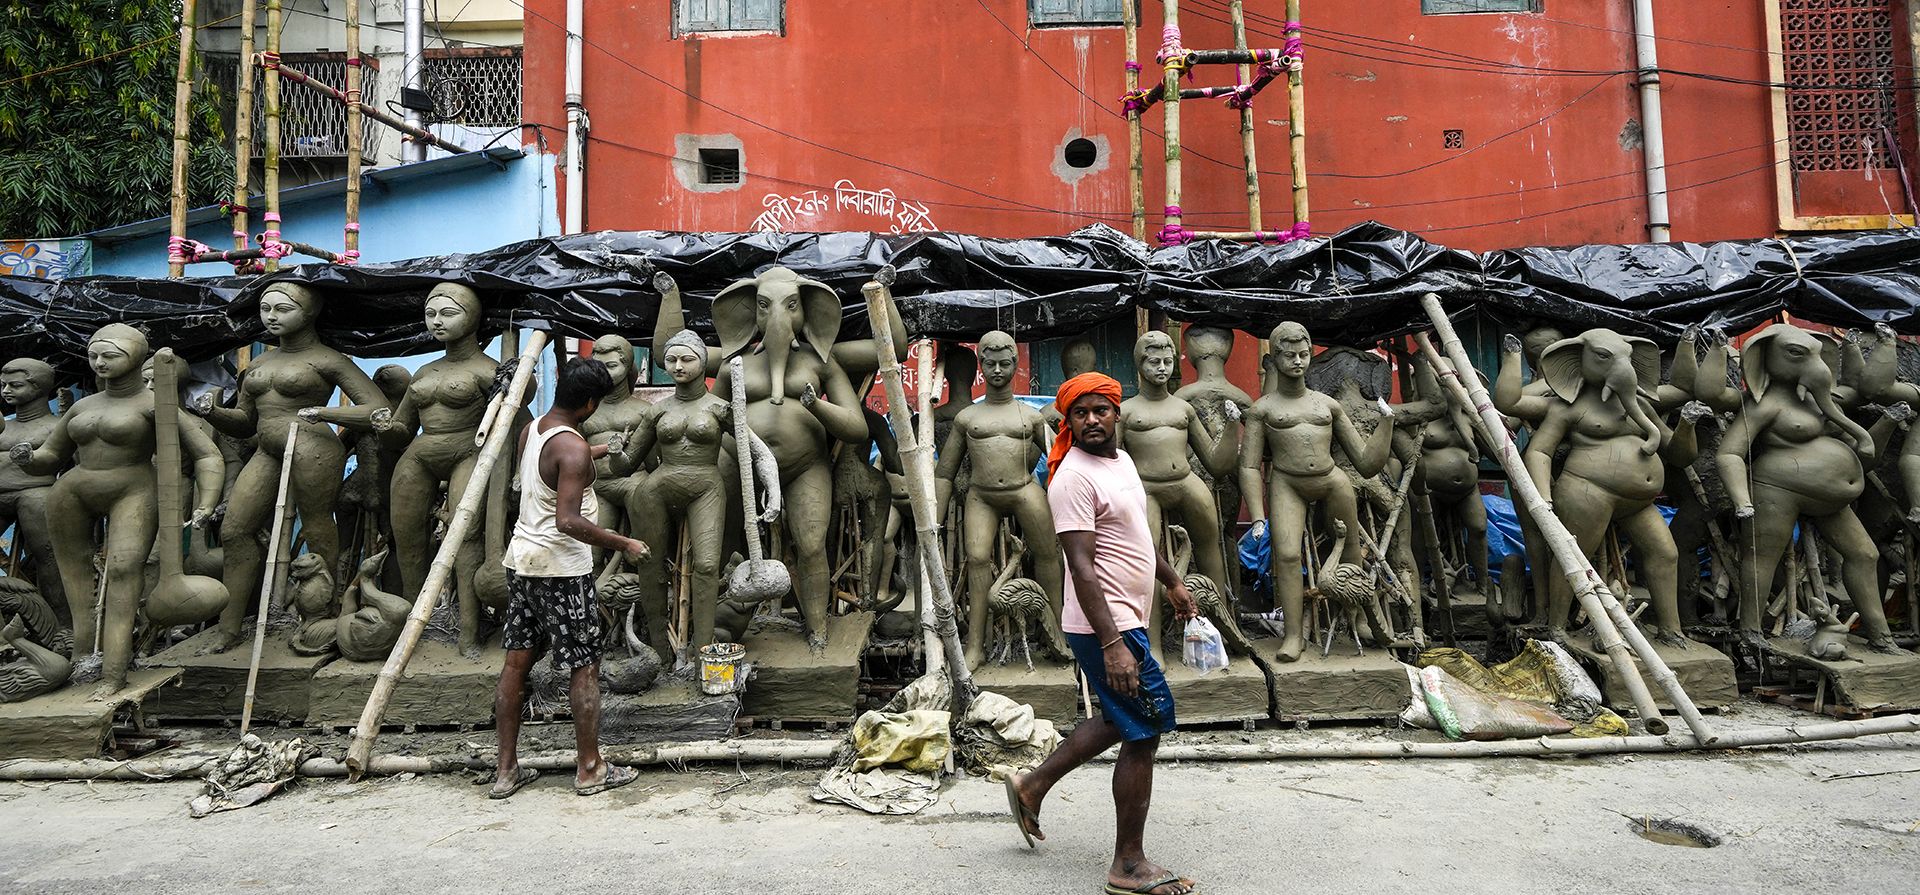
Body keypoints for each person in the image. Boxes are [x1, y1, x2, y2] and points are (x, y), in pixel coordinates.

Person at [1007, 372, 1200, 895]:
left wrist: (1173, 582)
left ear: (1118, 414)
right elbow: (1082, 567)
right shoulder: (1072, 477)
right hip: (1105, 625)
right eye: (1080, 413)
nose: (1092, 420)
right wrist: (1113, 645)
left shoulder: (1122, 461)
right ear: (1066, 420)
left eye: (1100, 410)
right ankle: (1128, 866)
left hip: (1127, 617)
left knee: (1123, 717)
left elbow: (1136, 535)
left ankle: (1032, 785)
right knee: (1145, 728)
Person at [490, 356, 650, 799]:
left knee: (515, 664)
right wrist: (623, 543)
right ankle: (590, 768)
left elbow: (552, 467)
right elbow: (567, 521)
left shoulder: (536, 428)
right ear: (591, 403)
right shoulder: (573, 447)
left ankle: (505, 773)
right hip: (561, 569)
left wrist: (599, 451)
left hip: (522, 562)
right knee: (585, 666)